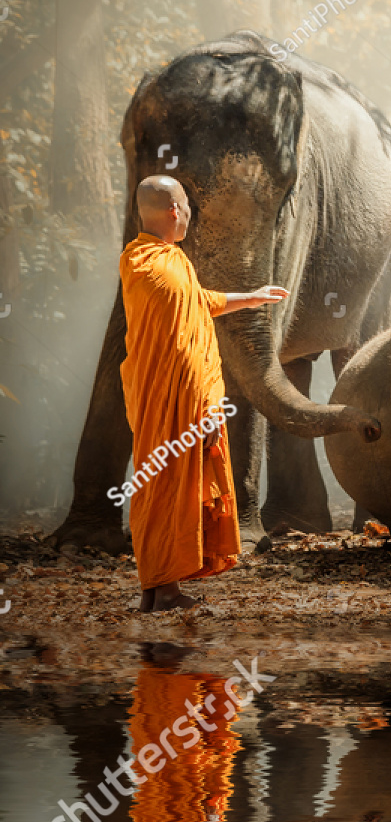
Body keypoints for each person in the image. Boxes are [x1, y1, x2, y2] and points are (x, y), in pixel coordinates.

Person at [119, 175, 287, 612]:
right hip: (182, 401)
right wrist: (210, 409)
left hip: (156, 401)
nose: (190, 216)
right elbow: (183, 351)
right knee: (176, 487)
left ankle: (156, 589)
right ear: (175, 210)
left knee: (158, 486)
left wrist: (248, 298)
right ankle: (165, 591)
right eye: (188, 207)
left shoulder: (141, 260)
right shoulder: (165, 267)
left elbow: (197, 301)